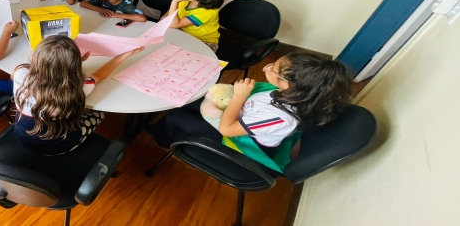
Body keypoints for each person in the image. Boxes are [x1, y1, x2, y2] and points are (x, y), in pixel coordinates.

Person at [147, 53, 353, 152]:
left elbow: (227, 129)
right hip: (246, 117)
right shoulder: (295, 93)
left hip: (244, 142)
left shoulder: (280, 117)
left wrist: (238, 96)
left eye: (273, 69)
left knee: (176, 116)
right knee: (191, 103)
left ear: (288, 85)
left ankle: (163, 139)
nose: (267, 67)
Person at [12, 35, 144, 155]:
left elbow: (46, 68)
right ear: (74, 66)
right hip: (60, 146)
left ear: (34, 57)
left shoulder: (20, 72)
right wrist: (123, 55)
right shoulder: (78, 86)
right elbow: (99, 76)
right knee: (100, 112)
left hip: (22, 137)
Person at [161, 0, 225, 52]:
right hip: (184, 34)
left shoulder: (207, 13)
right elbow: (166, 17)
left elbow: (173, 24)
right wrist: (164, 21)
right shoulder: (186, 1)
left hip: (203, 42)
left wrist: (174, 1)